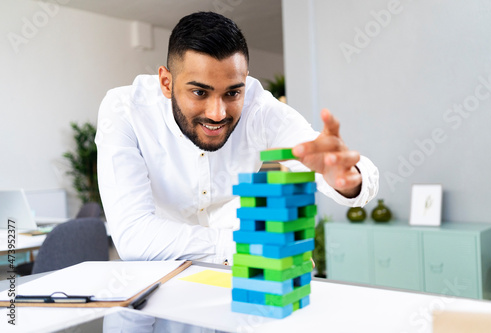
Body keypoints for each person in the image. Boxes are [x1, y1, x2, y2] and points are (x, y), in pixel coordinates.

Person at [96, 11, 379, 266]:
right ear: (166, 83)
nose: (218, 113)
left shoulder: (261, 110)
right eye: (199, 92)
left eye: (232, 93)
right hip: (156, 277)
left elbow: (343, 169)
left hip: (235, 277)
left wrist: (346, 178)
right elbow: (134, 236)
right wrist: (245, 245)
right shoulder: (125, 110)